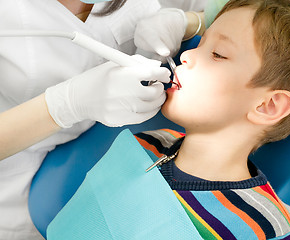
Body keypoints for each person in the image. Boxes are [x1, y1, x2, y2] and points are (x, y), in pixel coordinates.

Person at [133, 0, 290, 238]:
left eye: (217, 54)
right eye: (200, 43)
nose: (187, 55)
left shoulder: (273, 229)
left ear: (268, 105)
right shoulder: (147, 144)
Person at [0, 0, 205, 239]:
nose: (189, 59)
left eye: (218, 54)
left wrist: (189, 22)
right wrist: (63, 105)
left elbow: (234, 17)